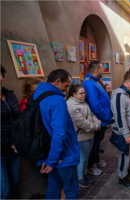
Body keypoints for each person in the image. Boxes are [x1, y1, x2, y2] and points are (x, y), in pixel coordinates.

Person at [33, 69, 80, 199]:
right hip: (61, 155)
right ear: (57, 81)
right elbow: (59, 134)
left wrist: (48, 160)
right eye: (66, 86)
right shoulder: (57, 100)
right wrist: (52, 160)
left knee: (53, 185)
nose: (66, 89)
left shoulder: (37, 96)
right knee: (71, 190)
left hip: (47, 152)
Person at [110, 72, 130, 188]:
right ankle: (122, 177)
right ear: (127, 82)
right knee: (125, 155)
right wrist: (126, 134)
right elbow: (120, 117)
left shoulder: (129, 94)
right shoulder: (118, 96)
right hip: (127, 133)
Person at [66, 84, 101, 188]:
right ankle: (80, 177)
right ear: (74, 94)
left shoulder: (84, 103)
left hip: (89, 135)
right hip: (81, 136)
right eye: (81, 93)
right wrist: (95, 127)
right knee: (82, 158)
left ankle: (84, 174)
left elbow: (92, 115)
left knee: (86, 156)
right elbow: (81, 122)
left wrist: (97, 123)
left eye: (84, 93)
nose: (84, 95)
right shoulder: (71, 106)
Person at [82, 61, 111, 175]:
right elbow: (95, 104)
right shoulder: (89, 83)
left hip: (101, 120)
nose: (103, 70)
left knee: (97, 143)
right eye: (102, 68)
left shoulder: (94, 81)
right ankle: (91, 166)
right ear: (97, 69)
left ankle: (96, 160)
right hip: (98, 120)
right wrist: (105, 117)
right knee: (94, 145)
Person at [1, 65, 21, 199]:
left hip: (14, 148)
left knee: (14, 183)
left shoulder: (9, 95)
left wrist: (18, 141)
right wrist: (10, 143)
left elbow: (18, 119)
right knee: (4, 189)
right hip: (2, 149)